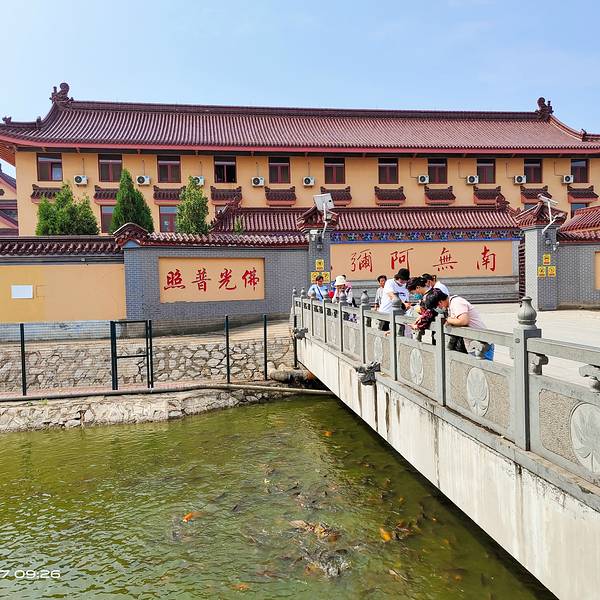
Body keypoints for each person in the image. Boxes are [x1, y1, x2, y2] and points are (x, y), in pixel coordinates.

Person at [423, 289, 494, 360]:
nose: (437, 309)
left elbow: (464, 321)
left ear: (440, 302)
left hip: (482, 346)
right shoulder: (450, 305)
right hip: (474, 344)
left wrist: (449, 320)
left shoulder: (456, 303)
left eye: (436, 307)